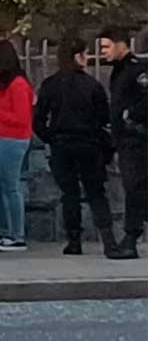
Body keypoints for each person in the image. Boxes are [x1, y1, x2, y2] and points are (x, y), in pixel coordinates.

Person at [33, 41, 130, 258]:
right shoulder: (92, 85)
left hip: (61, 145)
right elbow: (104, 117)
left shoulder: (50, 84)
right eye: (85, 54)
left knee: (69, 194)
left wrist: (50, 137)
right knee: (96, 193)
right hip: (89, 144)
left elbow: (38, 120)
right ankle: (109, 242)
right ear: (78, 56)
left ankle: (74, 241)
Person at [0, 41, 33, 252]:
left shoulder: (18, 84)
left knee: (10, 186)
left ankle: (17, 235)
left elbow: (21, 118)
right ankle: (4, 231)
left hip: (13, 139)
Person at [99, 26, 147, 259]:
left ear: (121, 44)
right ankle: (131, 236)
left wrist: (131, 115)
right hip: (124, 140)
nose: (103, 52)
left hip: (137, 139)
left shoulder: (137, 69)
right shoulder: (118, 71)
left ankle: (130, 237)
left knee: (135, 187)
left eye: (107, 47)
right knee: (136, 188)